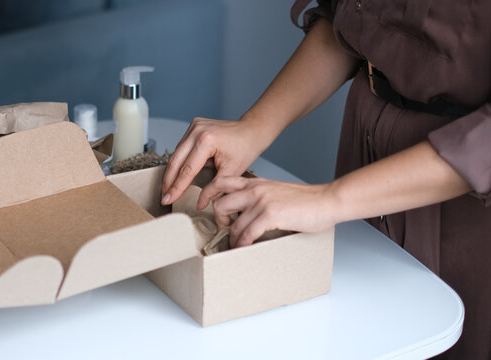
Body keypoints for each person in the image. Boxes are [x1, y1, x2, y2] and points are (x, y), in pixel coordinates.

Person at [160, 1, 490, 358]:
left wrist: (329, 199)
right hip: (361, 153)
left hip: (465, 200)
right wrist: (255, 127)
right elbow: (352, 23)